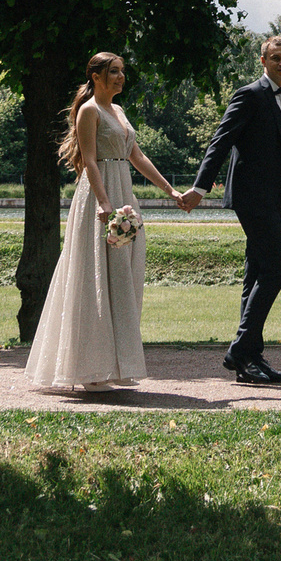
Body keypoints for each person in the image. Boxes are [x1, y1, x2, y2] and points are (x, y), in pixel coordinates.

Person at [24, 51, 201, 393]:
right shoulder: (89, 111)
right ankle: (88, 370)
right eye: (114, 72)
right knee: (94, 278)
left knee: (122, 278)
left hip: (123, 194)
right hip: (99, 198)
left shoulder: (118, 111)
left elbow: (137, 156)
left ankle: (113, 366)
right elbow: (89, 159)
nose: (121, 77)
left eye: (122, 71)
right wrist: (104, 203)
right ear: (96, 76)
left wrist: (171, 191)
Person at [194, 33, 281, 384]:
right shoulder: (249, 95)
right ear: (263, 61)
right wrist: (201, 188)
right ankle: (240, 349)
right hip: (251, 198)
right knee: (277, 269)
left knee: (257, 275)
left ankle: (251, 360)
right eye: (275, 58)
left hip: (276, 201)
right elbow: (221, 142)